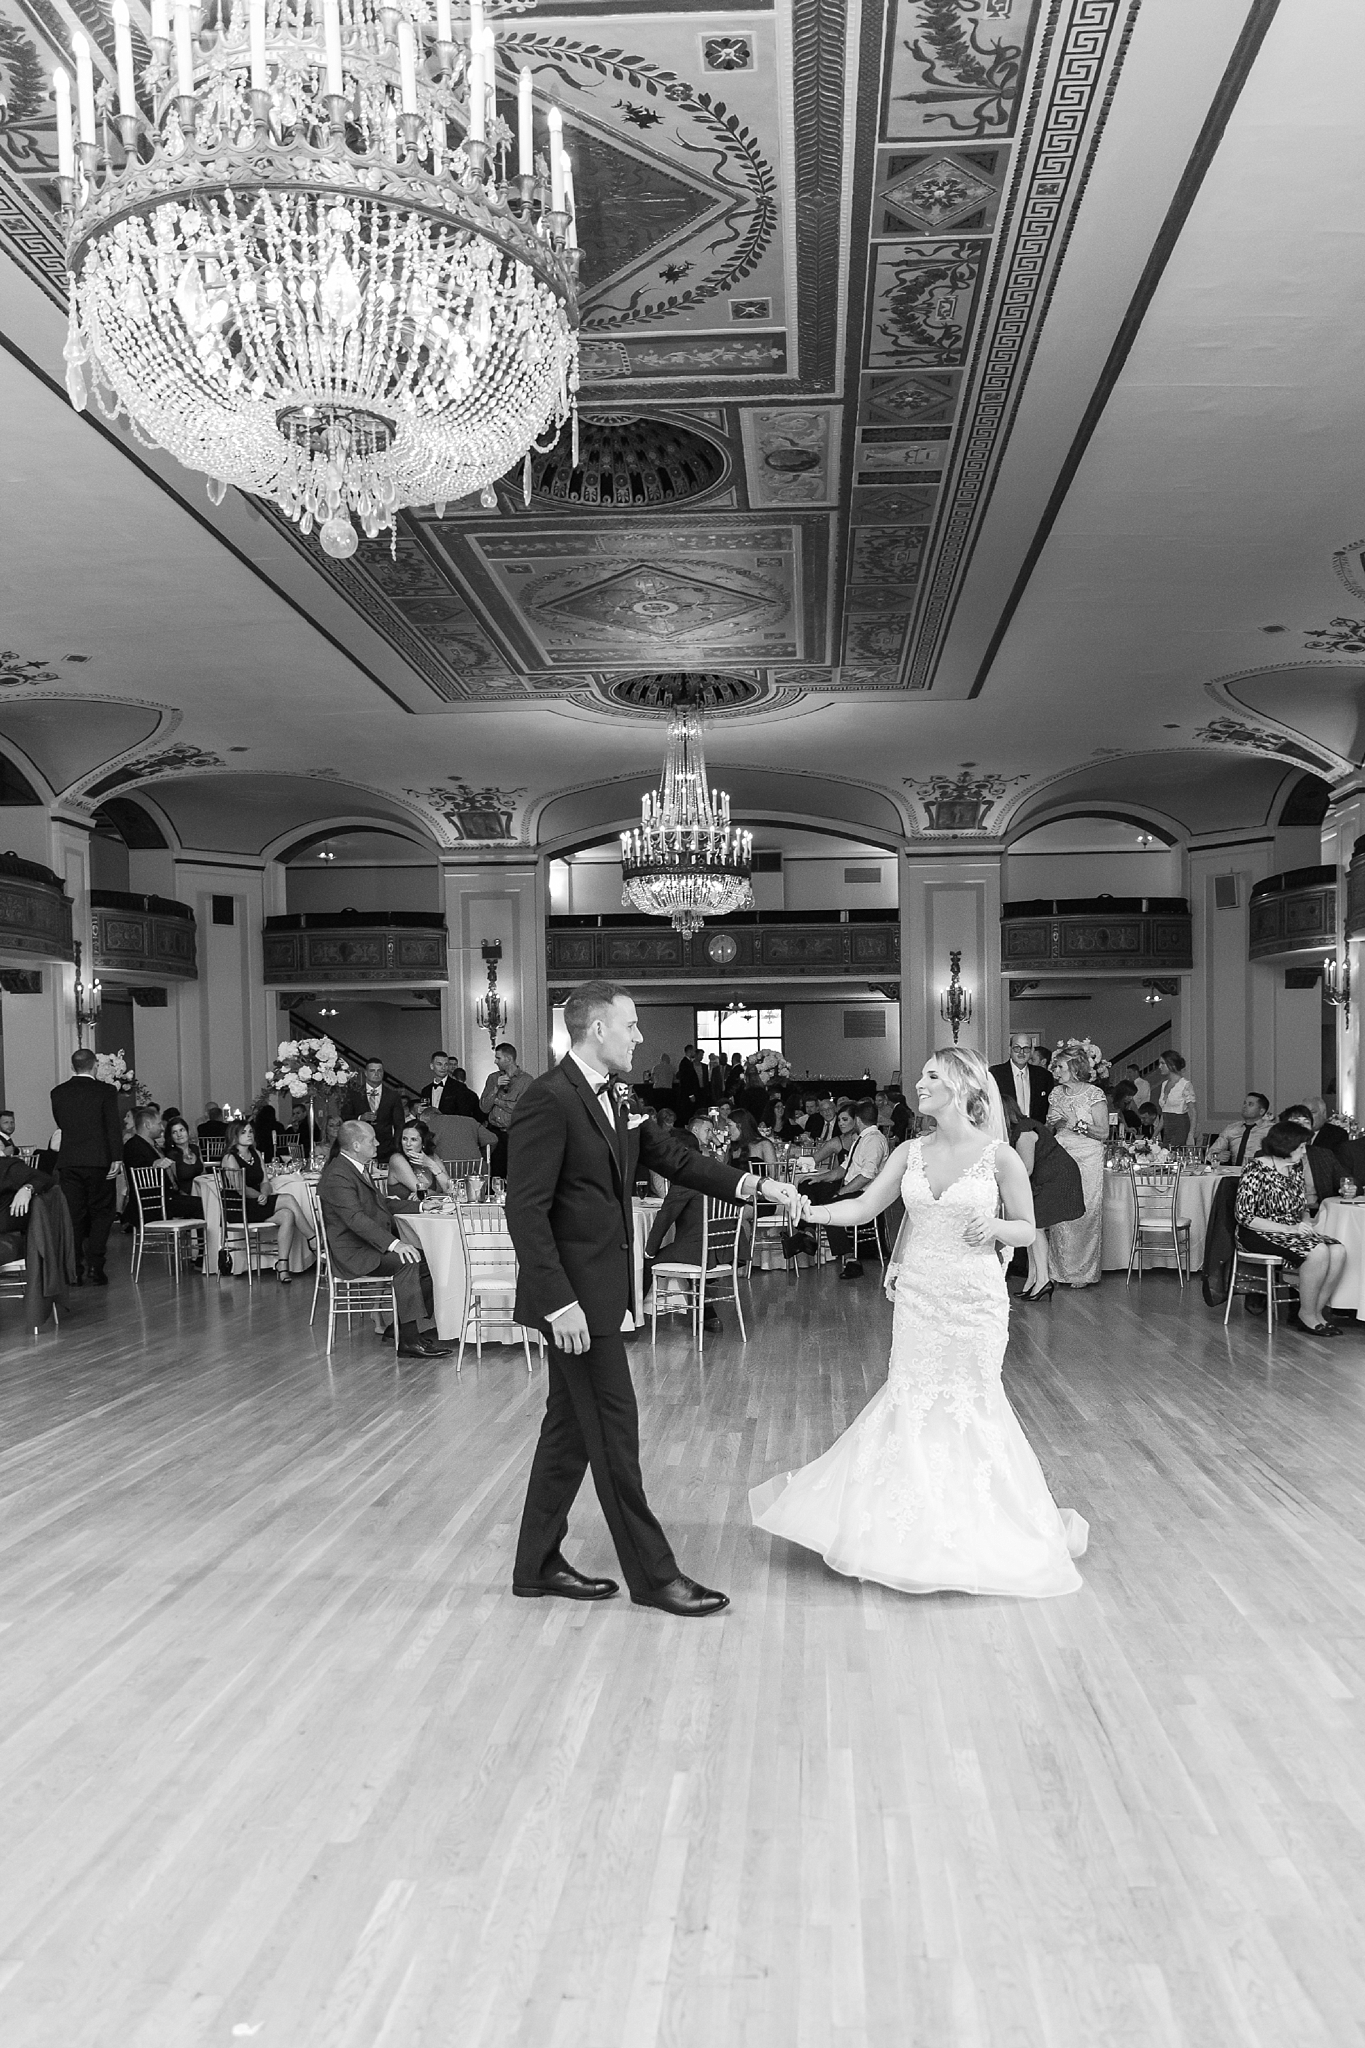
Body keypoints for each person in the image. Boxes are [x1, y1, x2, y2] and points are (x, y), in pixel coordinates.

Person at [505, 980, 801, 1617]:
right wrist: (559, 1305)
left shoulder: (617, 1097)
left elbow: (677, 1158)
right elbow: (524, 1210)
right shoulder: (547, 1099)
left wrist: (754, 1184)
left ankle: (535, 1564)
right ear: (596, 1030)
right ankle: (653, 1576)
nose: (640, 1036)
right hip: (575, 1305)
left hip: (602, 1293)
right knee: (614, 1431)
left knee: (567, 1433)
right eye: (632, 1025)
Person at [750, 1047, 1087, 1597]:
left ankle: (976, 1526)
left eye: (931, 1075)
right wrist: (810, 1211)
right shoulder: (909, 1150)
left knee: (970, 1401)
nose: (920, 1083)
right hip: (920, 1298)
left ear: (960, 1084)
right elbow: (863, 1207)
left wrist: (996, 1228)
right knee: (911, 1397)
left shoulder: (998, 1156)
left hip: (975, 1302)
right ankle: (907, 1524)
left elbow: (1028, 1228)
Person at [318, 1120, 453, 1357]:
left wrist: (421, 1206)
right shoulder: (338, 1175)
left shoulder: (356, 1167)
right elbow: (356, 1219)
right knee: (408, 1260)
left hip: (367, 1245)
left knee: (429, 1261)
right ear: (357, 1145)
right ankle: (410, 1341)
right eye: (372, 1140)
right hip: (353, 1252)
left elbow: (383, 1203)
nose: (378, 1143)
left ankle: (399, 1327)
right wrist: (395, 1243)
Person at [1234, 1121, 1346, 1336]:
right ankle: (1306, 1315)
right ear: (1285, 1146)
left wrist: (1304, 1221)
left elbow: (1301, 1206)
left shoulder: (1294, 1169)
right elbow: (1245, 1216)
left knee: (1339, 1251)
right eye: (1301, 1147)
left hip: (1290, 1229)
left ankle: (1315, 1313)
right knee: (1318, 1251)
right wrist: (1289, 1229)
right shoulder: (1255, 1168)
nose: (1305, 1152)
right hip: (1258, 1232)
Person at [642, 1118, 726, 1335]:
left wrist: (648, 1251)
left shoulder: (687, 1178)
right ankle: (708, 1313)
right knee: (688, 1250)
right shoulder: (716, 1171)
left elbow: (664, 1217)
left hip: (699, 1250)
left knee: (645, 1263)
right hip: (725, 1248)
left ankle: (633, 1315)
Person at [50, 1047, 122, 1285]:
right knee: (102, 1213)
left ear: (72, 1067)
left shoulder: (58, 1093)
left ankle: (74, 1269)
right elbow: (112, 1125)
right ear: (95, 1066)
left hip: (70, 1161)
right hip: (99, 1161)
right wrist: (117, 1157)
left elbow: (61, 1123)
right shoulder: (106, 1091)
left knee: (74, 1216)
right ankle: (95, 1266)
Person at [1002, 1098, 1084, 1299]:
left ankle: (1043, 1280)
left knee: (1036, 1226)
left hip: (1057, 1178)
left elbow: (1026, 1168)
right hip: (1045, 1178)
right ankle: (1033, 1279)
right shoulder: (1020, 1129)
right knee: (1032, 1225)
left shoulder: (1024, 1131)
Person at [1045, 1049, 1109, 1287]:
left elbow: (1103, 1133)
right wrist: (1054, 1123)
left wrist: (1076, 1124)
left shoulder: (1094, 1094)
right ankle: (1059, 1270)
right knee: (1061, 1212)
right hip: (1061, 1155)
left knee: (1085, 1212)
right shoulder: (1056, 1094)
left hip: (1088, 1157)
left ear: (1074, 1068)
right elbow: (1052, 1128)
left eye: (1060, 1067)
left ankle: (1083, 1273)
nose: (1056, 1071)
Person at [220, 1119, 311, 1281]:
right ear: (234, 1136)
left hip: (256, 1203)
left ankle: (282, 1265)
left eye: (250, 1132)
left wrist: (264, 1193)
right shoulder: (230, 1157)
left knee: (287, 1215)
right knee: (288, 1199)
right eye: (244, 1132)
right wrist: (259, 1196)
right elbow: (240, 1188)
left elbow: (265, 1181)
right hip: (239, 1207)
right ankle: (313, 1238)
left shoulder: (255, 1153)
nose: (249, 1135)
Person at [825, 1100, 888, 1278]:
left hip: (866, 1194)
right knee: (812, 1188)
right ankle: (807, 1235)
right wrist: (819, 1177)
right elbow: (844, 1168)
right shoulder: (861, 1139)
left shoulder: (873, 1140)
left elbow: (867, 1175)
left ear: (858, 1120)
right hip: (853, 1187)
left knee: (831, 1206)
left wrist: (842, 1192)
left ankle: (850, 1258)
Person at [124, 1104, 204, 1220]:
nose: (162, 1128)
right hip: (153, 1203)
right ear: (148, 1125)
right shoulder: (134, 1145)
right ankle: (205, 1238)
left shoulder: (151, 1145)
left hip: (164, 1198)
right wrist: (154, 1164)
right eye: (159, 1124)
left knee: (200, 1202)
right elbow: (138, 1168)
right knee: (202, 1204)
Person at [479, 1042, 532, 1180]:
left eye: (498, 1058)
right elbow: (484, 1107)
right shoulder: (492, 1078)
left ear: (508, 1059)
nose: (495, 1061)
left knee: (516, 1174)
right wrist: (495, 1089)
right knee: (494, 1174)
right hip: (493, 1134)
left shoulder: (526, 1080)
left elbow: (521, 1108)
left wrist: (497, 1101)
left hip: (514, 1133)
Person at [338, 1058, 406, 1159]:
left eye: (379, 1070)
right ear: (365, 1073)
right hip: (359, 1146)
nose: (376, 1073)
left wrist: (396, 1147)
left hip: (386, 1147)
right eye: (372, 1070)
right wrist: (361, 1118)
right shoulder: (354, 1093)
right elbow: (345, 1117)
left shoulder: (392, 1095)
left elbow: (399, 1124)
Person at [1280, 1103, 1344, 1206]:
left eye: (1306, 1122)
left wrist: (1350, 1189)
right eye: (1296, 1122)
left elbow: (1345, 1180)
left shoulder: (1323, 1155)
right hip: (1282, 1214)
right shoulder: (1269, 1156)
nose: (1302, 1126)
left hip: (1318, 1212)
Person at [387, 1119, 457, 1201]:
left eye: (413, 1140)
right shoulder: (397, 1160)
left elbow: (452, 1191)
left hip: (430, 1210)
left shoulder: (432, 1158)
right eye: (405, 1139)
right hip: (404, 1212)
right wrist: (438, 1195)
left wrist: (432, 1165)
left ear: (423, 1143)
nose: (408, 1144)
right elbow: (422, 1193)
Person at [989, 1038, 1054, 1124]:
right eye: (1017, 1048)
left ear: (1032, 1051)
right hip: (1006, 1131)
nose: (1021, 1052)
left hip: (1037, 1132)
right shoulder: (994, 1073)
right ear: (1009, 1050)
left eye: (1026, 1048)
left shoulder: (1044, 1075)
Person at [1208, 1092, 1274, 1166]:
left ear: (1261, 1111)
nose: (1245, 1106)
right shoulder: (1231, 1129)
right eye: (1244, 1103)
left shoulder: (1272, 1130)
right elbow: (1210, 1154)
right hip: (1233, 1173)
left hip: (1261, 1172)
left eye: (1250, 1104)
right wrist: (1217, 1156)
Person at [1157, 1051, 1196, 1149]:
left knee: (1174, 1153)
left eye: (1162, 1063)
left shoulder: (1185, 1084)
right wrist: (1155, 1133)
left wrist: (1191, 1135)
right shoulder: (1164, 1084)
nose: (1159, 1067)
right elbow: (1164, 1111)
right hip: (1167, 1127)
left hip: (1180, 1125)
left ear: (1172, 1065)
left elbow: (1193, 1112)